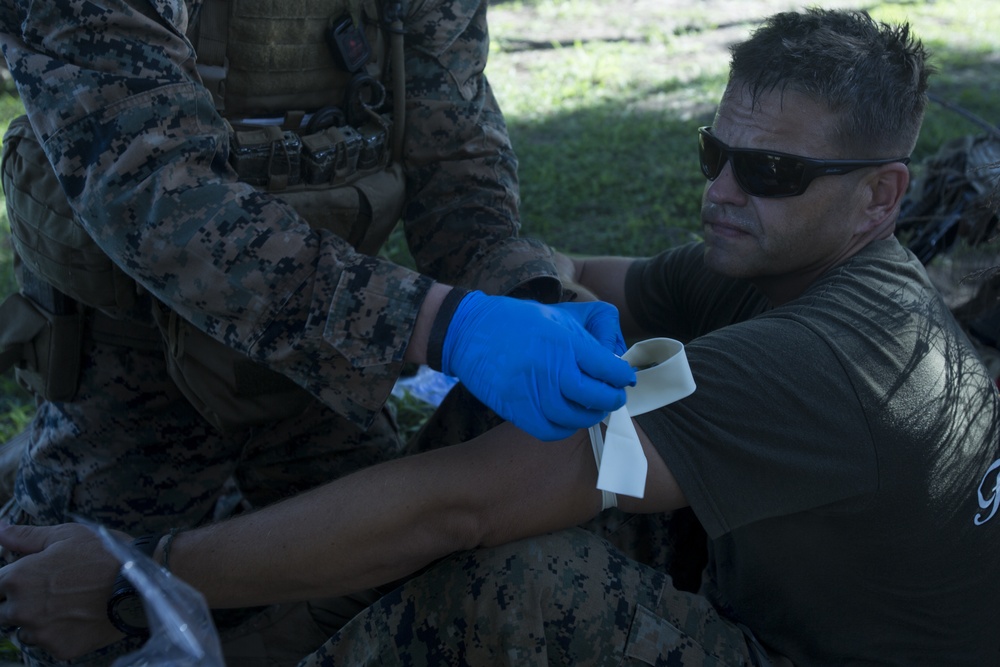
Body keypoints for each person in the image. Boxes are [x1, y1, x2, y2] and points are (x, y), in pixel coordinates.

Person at [2, 6, 999, 665]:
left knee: (517, 575)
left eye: (771, 174)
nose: (720, 193)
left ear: (880, 195)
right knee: (524, 408)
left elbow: (464, 505)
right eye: (713, 153)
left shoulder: (823, 353)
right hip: (130, 369)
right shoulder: (789, 269)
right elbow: (578, 278)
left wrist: (143, 579)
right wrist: (515, 299)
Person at [0, 0, 635, 663]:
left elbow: (457, 161)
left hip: (317, 379)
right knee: (86, 611)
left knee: (384, 610)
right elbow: (160, 199)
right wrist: (444, 324)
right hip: (127, 378)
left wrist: (528, 298)